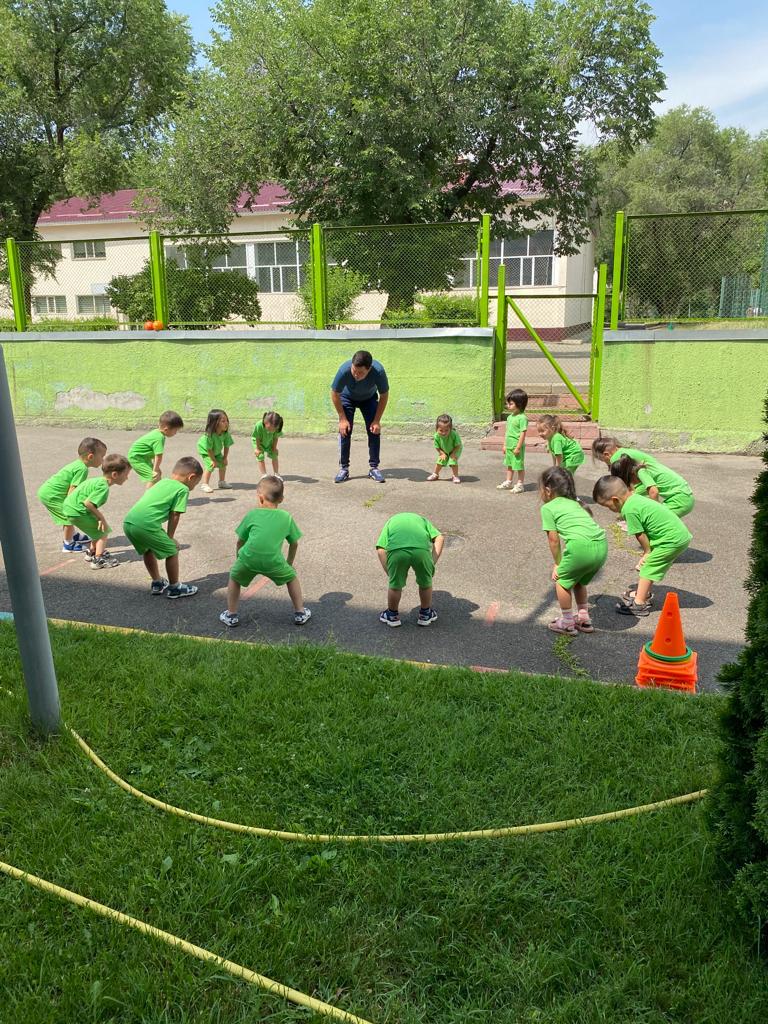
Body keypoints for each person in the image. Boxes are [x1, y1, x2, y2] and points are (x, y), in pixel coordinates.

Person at [219, 475, 311, 628]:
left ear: (260, 498)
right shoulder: (286, 517)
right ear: (281, 499)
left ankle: (231, 614)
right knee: (292, 577)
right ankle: (300, 612)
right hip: (273, 561)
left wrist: (239, 558)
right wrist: (289, 563)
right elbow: (294, 543)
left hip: (248, 558)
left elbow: (240, 541)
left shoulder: (252, 514)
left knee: (234, 577)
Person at [593, 475, 692, 616]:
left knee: (648, 567)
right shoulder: (635, 498)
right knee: (651, 567)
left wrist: (647, 552)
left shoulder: (629, 509)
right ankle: (642, 594)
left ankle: (639, 603)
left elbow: (640, 534)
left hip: (671, 540)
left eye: (608, 506)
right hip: (677, 536)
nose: (610, 510)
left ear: (615, 500)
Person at [539, 467, 608, 635]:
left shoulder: (548, 508)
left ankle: (567, 622)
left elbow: (553, 540)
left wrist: (558, 563)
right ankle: (583, 618)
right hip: (601, 545)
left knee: (562, 581)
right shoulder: (577, 503)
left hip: (580, 549)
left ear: (548, 490)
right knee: (578, 580)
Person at [123, 456, 203, 599]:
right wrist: (170, 537)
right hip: (146, 525)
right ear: (191, 477)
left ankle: (157, 582)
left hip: (129, 522)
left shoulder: (162, 482)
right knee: (172, 550)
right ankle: (175, 587)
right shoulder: (182, 489)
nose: (194, 487)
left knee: (148, 550)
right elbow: (175, 514)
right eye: (196, 483)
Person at [593, 438, 695, 518]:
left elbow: (651, 491)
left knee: (656, 519)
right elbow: (640, 489)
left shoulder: (616, 458)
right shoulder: (627, 453)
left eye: (603, 460)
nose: (608, 465)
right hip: (683, 492)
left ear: (606, 455)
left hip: (680, 499)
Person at [62, 454, 131, 569]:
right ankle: (98, 559)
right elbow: (88, 503)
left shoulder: (97, 481)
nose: (127, 478)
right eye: (126, 474)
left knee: (97, 530)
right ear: (114, 475)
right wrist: (101, 518)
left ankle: (92, 552)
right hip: (77, 511)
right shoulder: (103, 487)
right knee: (103, 532)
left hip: (70, 509)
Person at [375, 512, 444, 627]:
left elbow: (381, 549)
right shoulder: (423, 520)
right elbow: (439, 538)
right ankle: (425, 614)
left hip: (397, 551)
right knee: (425, 583)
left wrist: (389, 571)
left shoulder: (390, 522)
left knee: (395, 585)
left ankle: (392, 615)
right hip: (421, 551)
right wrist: (432, 561)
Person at [37, 437, 107, 551]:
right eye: (102, 457)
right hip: (52, 496)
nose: (103, 460)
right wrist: (72, 507)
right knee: (69, 517)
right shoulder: (82, 469)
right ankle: (68, 544)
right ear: (90, 457)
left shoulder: (78, 464)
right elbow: (72, 490)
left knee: (69, 516)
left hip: (48, 492)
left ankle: (73, 536)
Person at [330, 350, 389, 483]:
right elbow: (334, 393)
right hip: (347, 398)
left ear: (369, 369)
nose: (356, 375)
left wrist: (377, 420)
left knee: (374, 429)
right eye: (354, 371)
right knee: (345, 430)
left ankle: (374, 468)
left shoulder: (378, 371)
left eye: (360, 372)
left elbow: (384, 395)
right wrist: (342, 419)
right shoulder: (344, 370)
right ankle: (344, 468)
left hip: (369, 398)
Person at [127, 411, 184, 489]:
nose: (176, 433)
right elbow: (158, 456)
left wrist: (156, 468)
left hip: (142, 457)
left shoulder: (157, 433)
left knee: (157, 475)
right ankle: (149, 496)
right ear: (166, 429)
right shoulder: (159, 438)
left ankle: (157, 492)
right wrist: (155, 469)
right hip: (137, 458)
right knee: (153, 477)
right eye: (175, 430)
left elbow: (155, 454)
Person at [497, 388, 529, 492]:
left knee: (518, 466)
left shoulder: (522, 418)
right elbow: (507, 432)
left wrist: (518, 447)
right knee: (509, 464)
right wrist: (504, 445)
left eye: (511, 404)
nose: (508, 406)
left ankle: (520, 484)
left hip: (516, 446)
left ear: (519, 404)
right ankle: (509, 481)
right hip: (509, 445)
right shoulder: (510, 417)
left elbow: (523, 433)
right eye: (508, 403)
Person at [537, 414, 585, 480]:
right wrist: (554, 467)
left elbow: (559, 455)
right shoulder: (550, 438)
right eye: (539, 431)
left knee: (565, 474)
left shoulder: (556, 439)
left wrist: (557, 469)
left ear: (552, 428)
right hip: (570, 455)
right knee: (562, 473)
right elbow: (554, 454)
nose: (540, 434)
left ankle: (566, 485)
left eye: (542, 431)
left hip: (574, 455)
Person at [197, 409, 233, 493]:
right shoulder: (209, 435)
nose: (226, 423)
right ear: (215, 423)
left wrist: (225, 458)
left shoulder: (225, 433)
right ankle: (204, 484)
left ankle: (221, 482)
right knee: (210, 465)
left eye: (227, 420)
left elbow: (227, 446)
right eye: (223, 421)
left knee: (223, 464)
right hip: (206, 451)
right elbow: (209, 449)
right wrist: (213, 460)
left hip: (216, 451)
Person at [428, 414, 462, 484]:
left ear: (450, 428)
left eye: (446, 430)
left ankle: (455, 476)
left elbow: (458, 445)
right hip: (444, 449)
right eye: (441, 430)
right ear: (437, 428)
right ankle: (435, 474)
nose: (444, 433)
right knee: (440, 461)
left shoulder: (454, 434)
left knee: (453, 461)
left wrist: (453, 453)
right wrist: (442, 453)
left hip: (455, 449)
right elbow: (437, 447)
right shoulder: (436, 436)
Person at [252, 411, 283, 479]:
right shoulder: (259, 425)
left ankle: (276, 474)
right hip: (258, 442)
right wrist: (257, 449)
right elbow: (257, 437)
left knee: (274, 454)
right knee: (260, 455)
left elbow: (275, 438)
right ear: (265, 422)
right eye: (269, 428)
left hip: (269, 441)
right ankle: (264, 475)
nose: (271, 431)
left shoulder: (277, 426)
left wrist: (274, 448)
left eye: (273, 429)